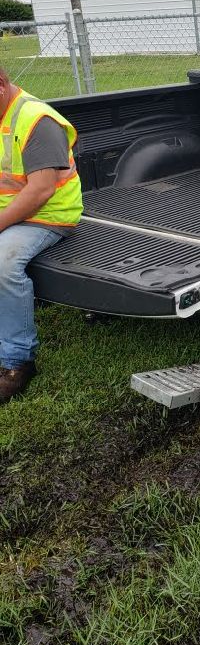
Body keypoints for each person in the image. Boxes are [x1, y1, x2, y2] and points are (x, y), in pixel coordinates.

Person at [0, 67, 83, 403]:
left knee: (3, 264)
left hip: (47, 216)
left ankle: (16, 360)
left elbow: (41, 191)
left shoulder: (37, 121)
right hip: (10, 210)